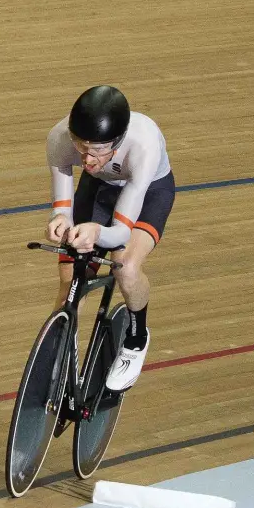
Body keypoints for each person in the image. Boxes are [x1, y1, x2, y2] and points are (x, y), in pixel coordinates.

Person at [45, 85, 175, 391]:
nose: (87, 157)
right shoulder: (60, 138)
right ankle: (59, 353)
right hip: (99, 187)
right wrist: (60, 219)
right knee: (71, 273)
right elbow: (62, 204)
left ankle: (136, 338)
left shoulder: (143, 147)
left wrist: (96, 232)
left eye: (98, 150)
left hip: (148, 192)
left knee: (124, 265)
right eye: (81, 147)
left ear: (116, 142)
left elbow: (121, 232)